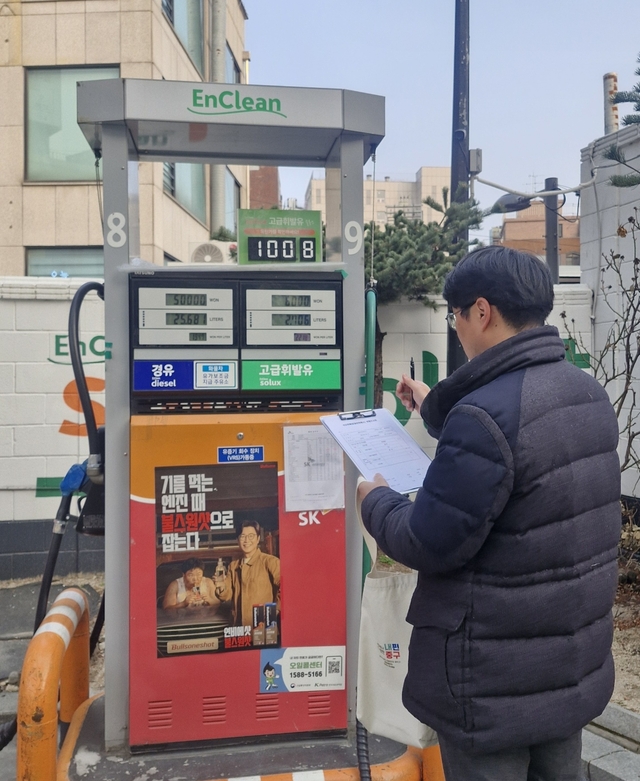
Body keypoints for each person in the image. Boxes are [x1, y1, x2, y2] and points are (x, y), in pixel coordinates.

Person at [357, 246, 621, 781]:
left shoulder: (485, 417)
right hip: (566, 668)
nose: (455, 326)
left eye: (454, 314)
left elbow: (428, 542)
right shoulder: (585, 393)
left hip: (491, 684)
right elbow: (512, 448)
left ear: (481, 312)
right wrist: (434, 405)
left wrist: (374, 499)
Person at [214, 521, 280, 627]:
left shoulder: (270, 561)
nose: (246, 540)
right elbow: (227, 595)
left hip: (263, 625)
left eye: (251, 536)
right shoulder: (233, 565)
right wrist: (221, 587)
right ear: (237, 540)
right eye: (243, 536)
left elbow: (287, 586)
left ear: (258, 539)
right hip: (238, 625)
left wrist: (275, 611)